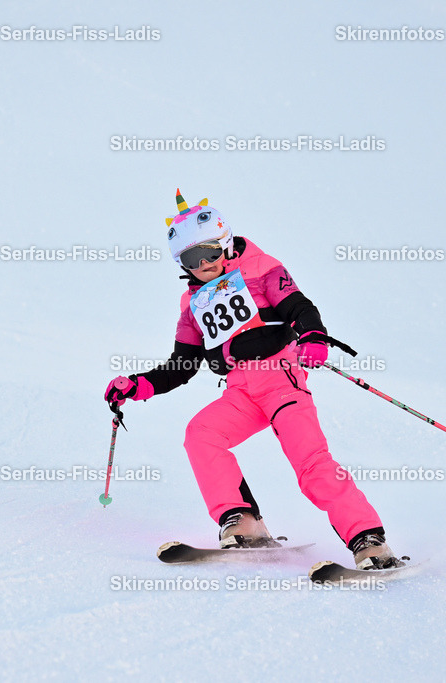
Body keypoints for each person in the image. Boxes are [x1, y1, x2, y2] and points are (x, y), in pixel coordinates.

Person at [105, 190, 403, 569]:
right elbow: (183, 362)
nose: (203, 264)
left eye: (210, 252)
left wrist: (312, 336)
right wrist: (137, 385)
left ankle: (368, 540)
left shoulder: (261, 267)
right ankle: (243, 523)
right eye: (190, 259)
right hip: (241, 391)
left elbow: (299, 306)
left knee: (310, 462)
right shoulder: (192, 303)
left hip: (280, 380)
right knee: (202, 434)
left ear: (226, 242)